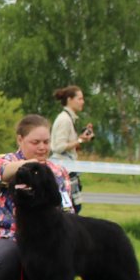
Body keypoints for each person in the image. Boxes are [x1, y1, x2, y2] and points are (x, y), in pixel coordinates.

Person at [0, 114, 74, 280]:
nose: (42, 147)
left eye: (46, 142)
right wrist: (31, 166)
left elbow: (66, 210)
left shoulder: (58, 171)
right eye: (35, 142)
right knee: (13, 254)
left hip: (43, 238)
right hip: (3, 236)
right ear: (20, 140)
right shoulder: (5, 161)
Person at [50, 85, 94, 214]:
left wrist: (79, 139)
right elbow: (58, 146)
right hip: (64, 171)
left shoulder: (68, 118)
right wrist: (80, 140)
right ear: (70, 99)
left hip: (67, 169)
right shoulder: (65, 120)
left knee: (71, 208)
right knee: (70, 208)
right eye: (79, 99)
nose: (82, 102)